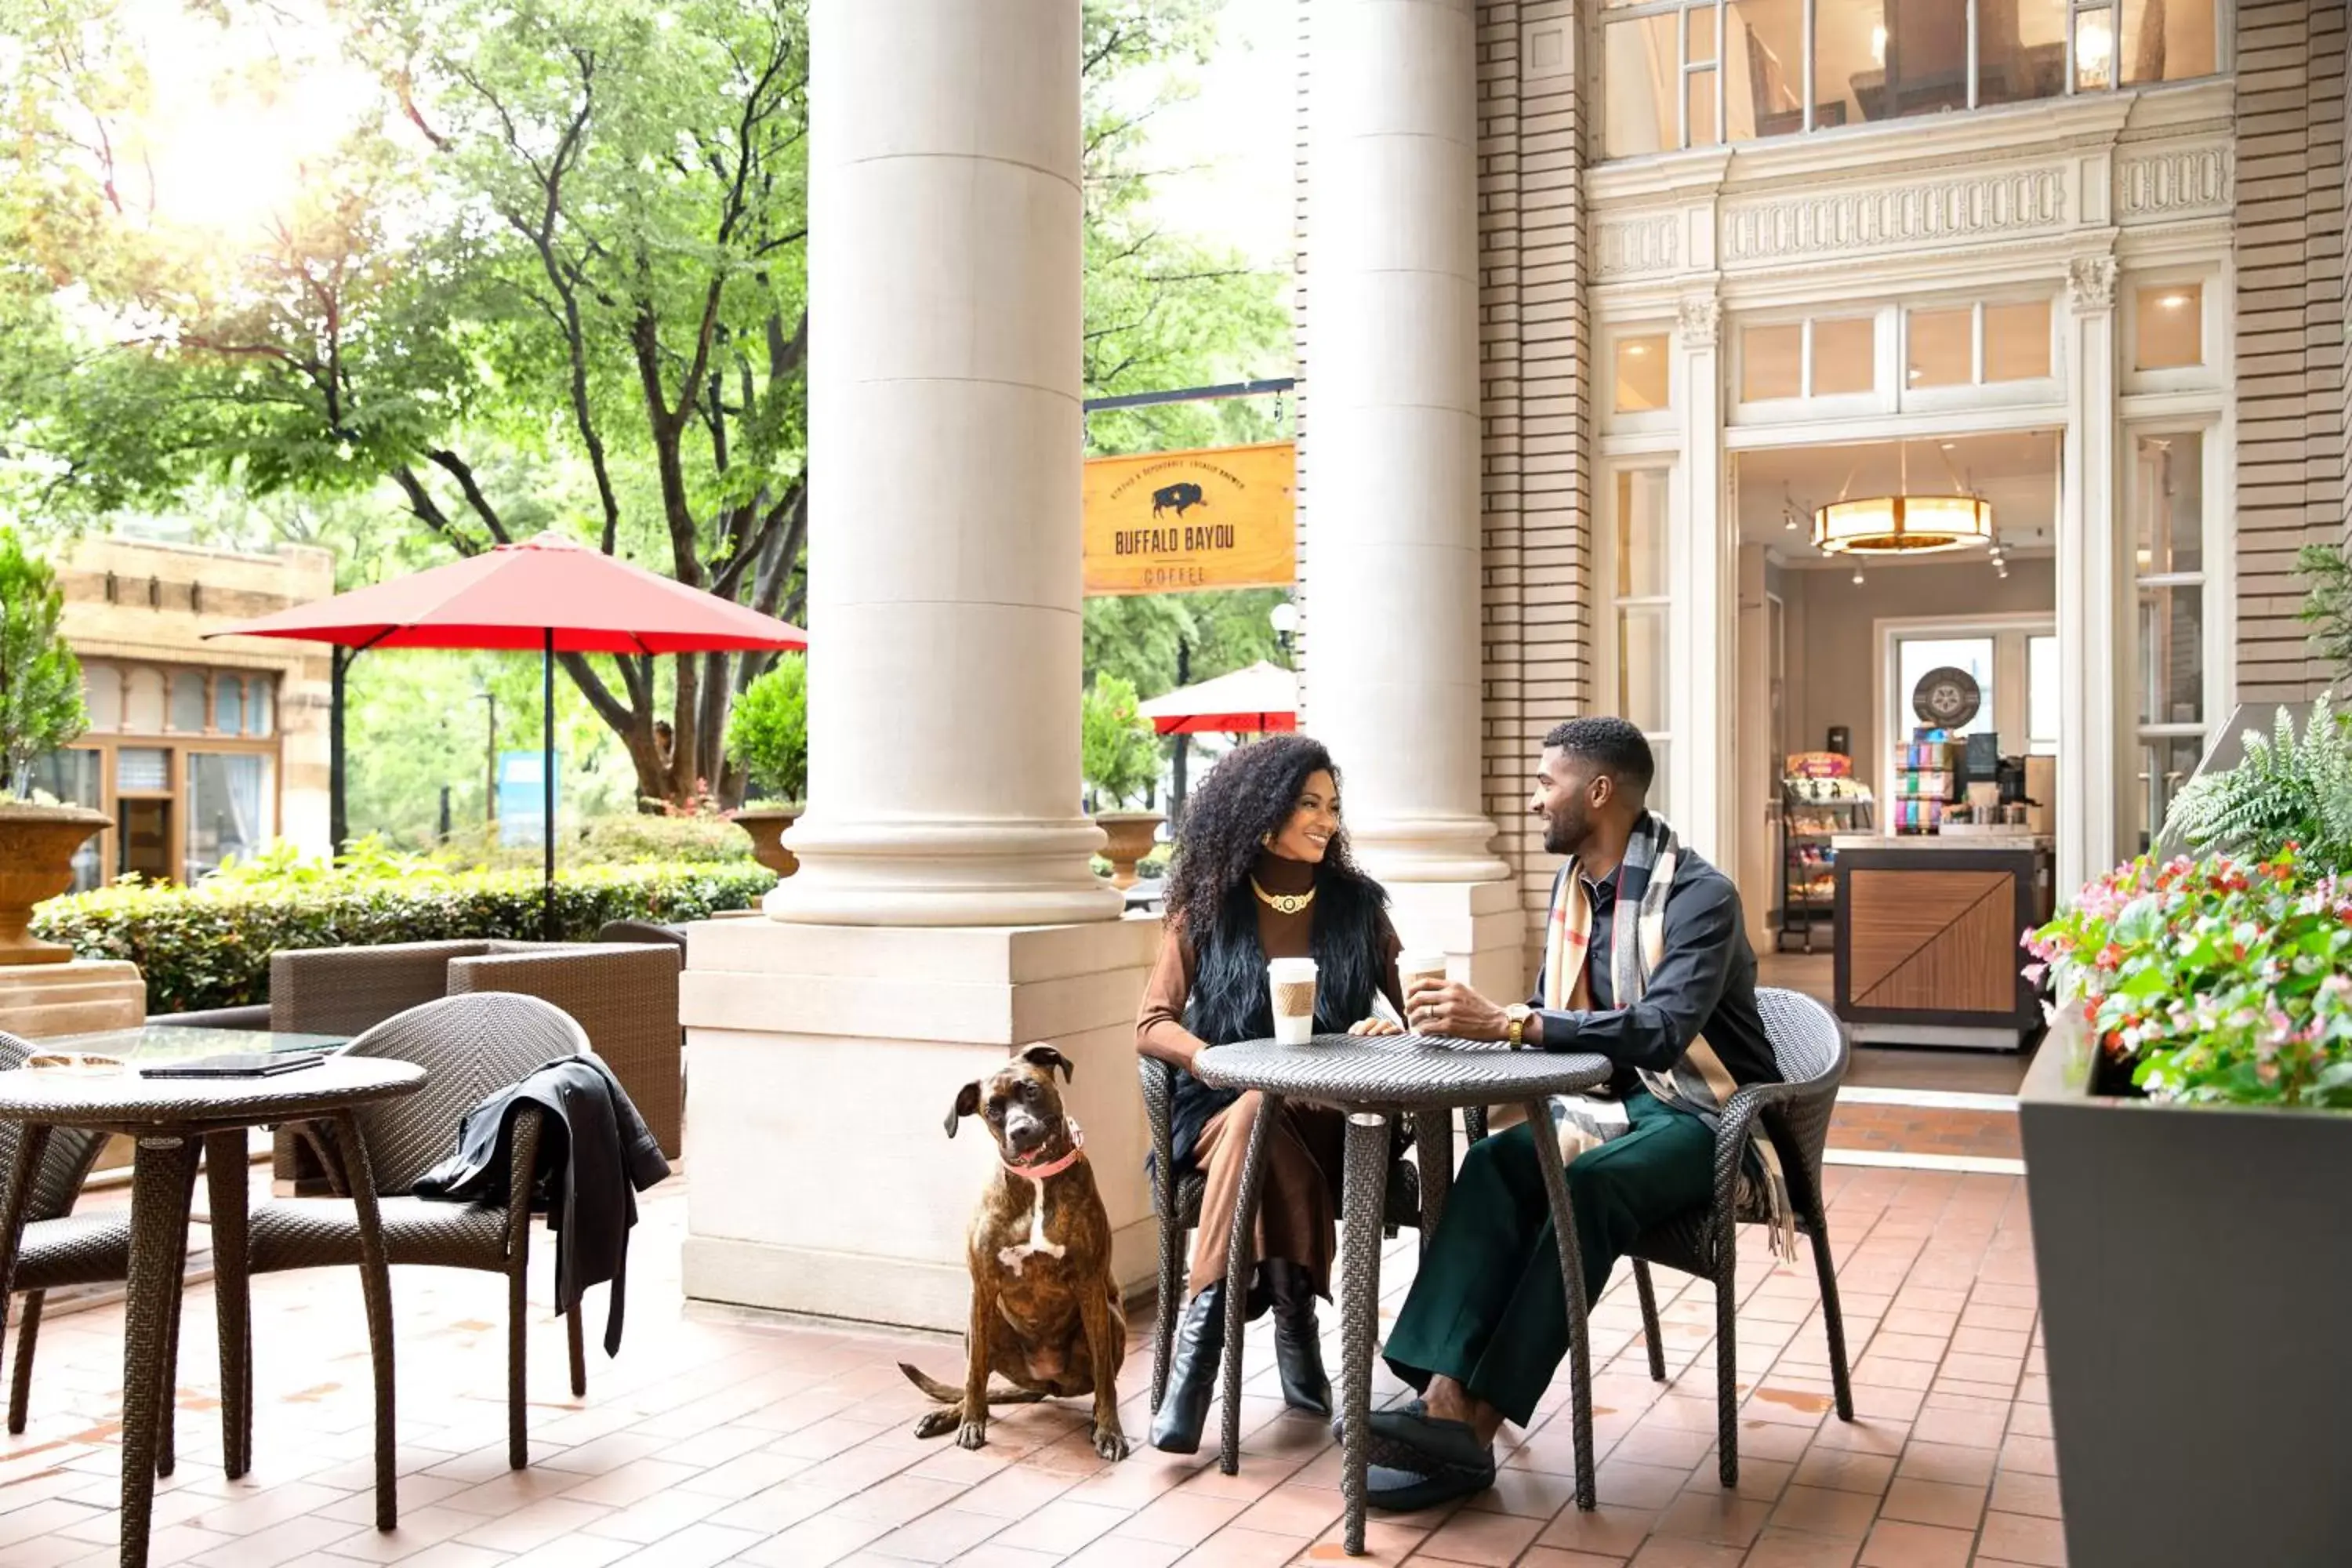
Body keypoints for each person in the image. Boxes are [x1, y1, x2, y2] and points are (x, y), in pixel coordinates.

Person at [1363, 716, 1784, 1509]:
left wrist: (1510, 1021)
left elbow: (1660, 1032)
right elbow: (1562, 1014)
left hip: (1711, 1116)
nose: (1531, 800)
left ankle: (1478, 1420)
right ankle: (1443, 1392)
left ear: (1598, 791)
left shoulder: (1700, 895)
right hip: (1613, 1103)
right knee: (1493, 1163)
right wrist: (1457, 1019)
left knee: (1588, 1188)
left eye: (1543, 781)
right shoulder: (1576, 889)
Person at [1135, 734, 1406, 1454]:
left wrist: (1387, 1023)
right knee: (1258, 1106)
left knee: (1268, 1108)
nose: (1327, 819)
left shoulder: (1358, 907)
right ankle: (1294, 1323)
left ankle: (1196, 1369)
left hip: (1338, 1113)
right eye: (1309, 804)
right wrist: (1213, 1059)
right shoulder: (1208, 908)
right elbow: (1151, 1025)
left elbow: (1417, 1013)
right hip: (1222, 1109)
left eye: (1333, 807)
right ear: (1264, 816)